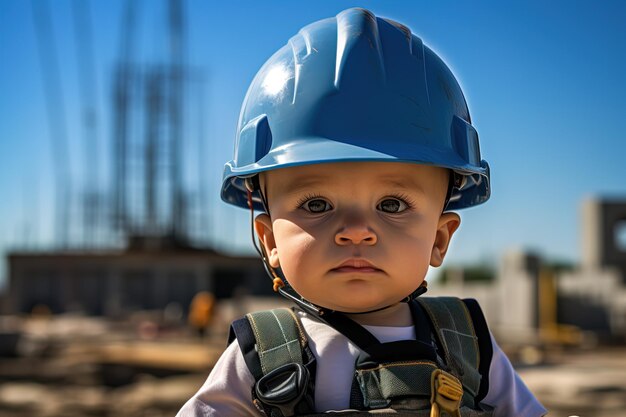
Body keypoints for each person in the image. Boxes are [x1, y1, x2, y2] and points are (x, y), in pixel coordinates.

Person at [177, 8, 547, 417]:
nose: (356, 231)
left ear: (439, 238)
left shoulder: (468, 345)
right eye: (317, 205)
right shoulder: (262, 357)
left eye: (392, 205)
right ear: (269, 241)